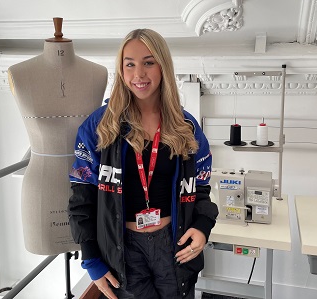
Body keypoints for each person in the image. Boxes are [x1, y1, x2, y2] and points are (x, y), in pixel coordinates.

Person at [68, 28, 218, 298]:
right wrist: (90, 258)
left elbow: (202, 187)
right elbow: (82, 197)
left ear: (163, 66)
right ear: (121, 70)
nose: (139, 74)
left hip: (175, 245)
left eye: (149, 62)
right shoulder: (99, 127)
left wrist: (202, 226)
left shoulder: (186, 127)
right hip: (123, 250)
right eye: (130, 64)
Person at [8, 18, 108, 255]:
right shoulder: (18, 73)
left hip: (88, 184)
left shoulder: (98, 73)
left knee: (93, 249)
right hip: (42, 188)